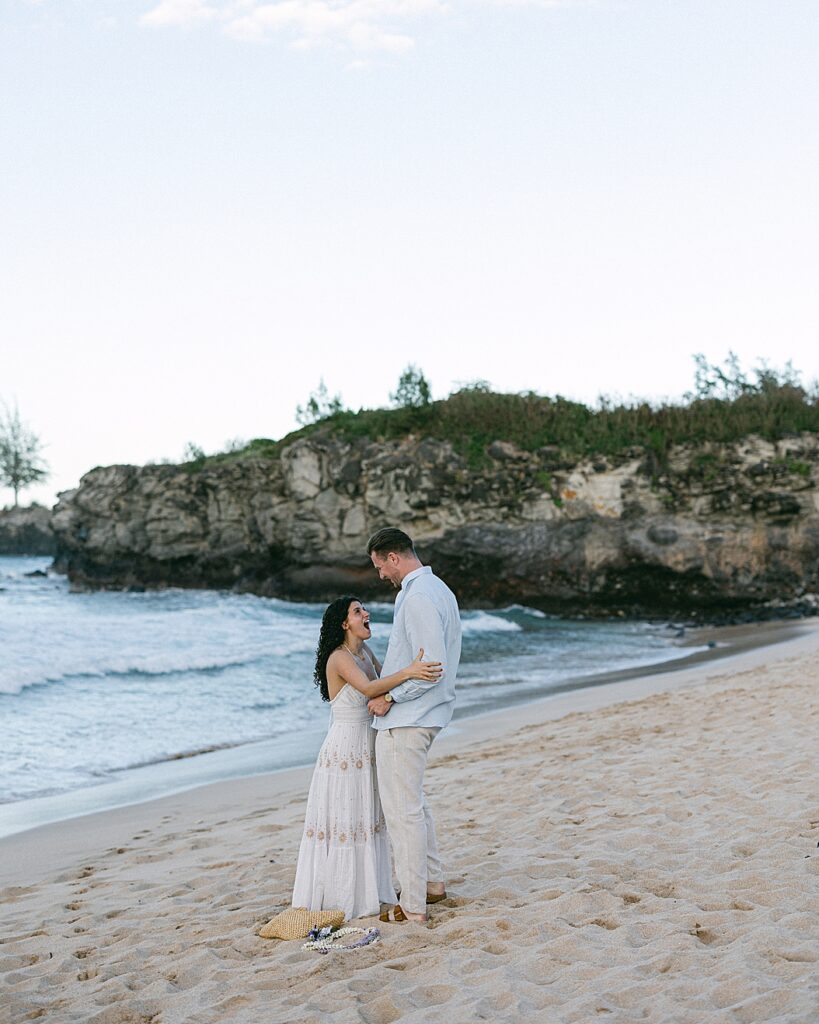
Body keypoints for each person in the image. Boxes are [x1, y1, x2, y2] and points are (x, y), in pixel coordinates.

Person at [291, 595, 442, 921]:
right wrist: (410, 671)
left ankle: (373, 890)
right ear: (345, 624)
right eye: (358, 611)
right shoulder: (339, 658)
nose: (366, 613)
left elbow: (382, 684)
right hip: (345, 747)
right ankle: (344, 895)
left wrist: (409, 674)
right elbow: (371, 689)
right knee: (347, 819)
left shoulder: (364, 652)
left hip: (369, 744)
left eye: (364, 609)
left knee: (368, 818)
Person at [366, 527, 462, 924]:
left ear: (393, 558)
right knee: (413, 804)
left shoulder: (420, 595)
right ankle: (433, 885)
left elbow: (432, 667)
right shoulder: (437, 589)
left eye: (379, 566)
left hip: (410, 717)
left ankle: (414, 906)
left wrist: (389, 697)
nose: (379, 575)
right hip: (424, 715)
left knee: (402, 811)